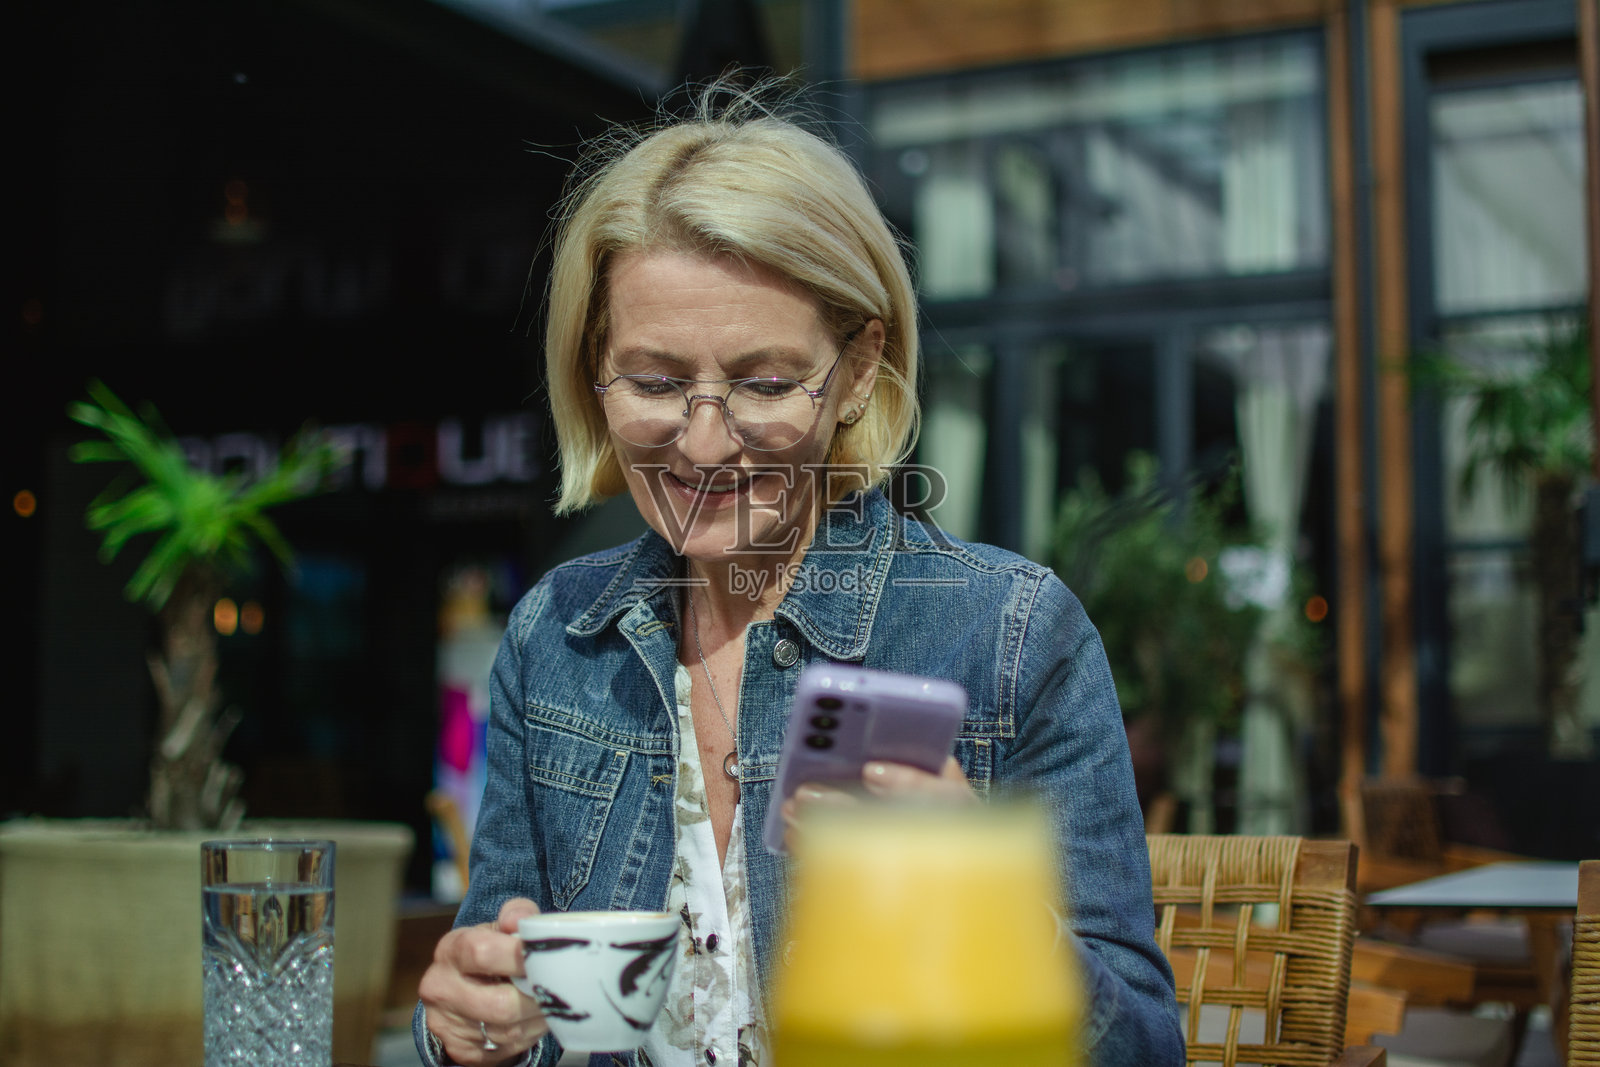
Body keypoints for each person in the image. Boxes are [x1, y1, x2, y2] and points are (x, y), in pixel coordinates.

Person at [415, 80, 1184, 1067]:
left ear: (858, 365)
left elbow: (1148, 1052)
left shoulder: (1009, 634)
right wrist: (473, 1027)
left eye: (763, 383)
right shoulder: (555, 634)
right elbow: (507, 995)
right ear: (591, 370)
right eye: (653, 381)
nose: (700, 441)